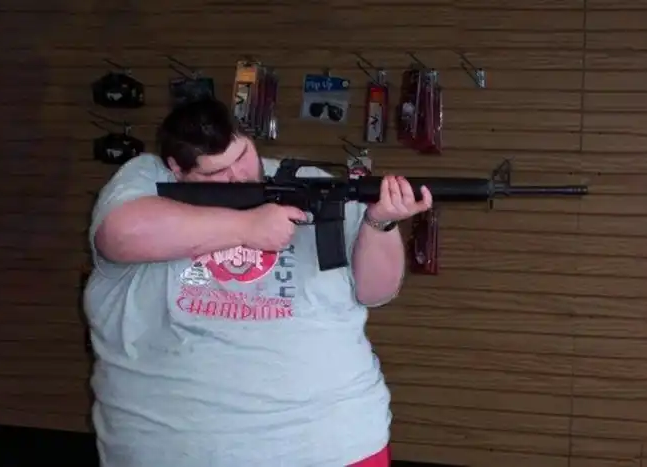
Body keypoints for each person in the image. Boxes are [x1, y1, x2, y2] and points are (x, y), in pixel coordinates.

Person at [83, 98, 433, 467]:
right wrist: (247, 227)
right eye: (216, 172)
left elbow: (376, 292)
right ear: (175, 168)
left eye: (242, 156)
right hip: (173, 448)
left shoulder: (312, 183)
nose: (237, 176)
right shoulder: (145, 178)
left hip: (333, 442)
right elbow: (121, 235)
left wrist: (380, 222)